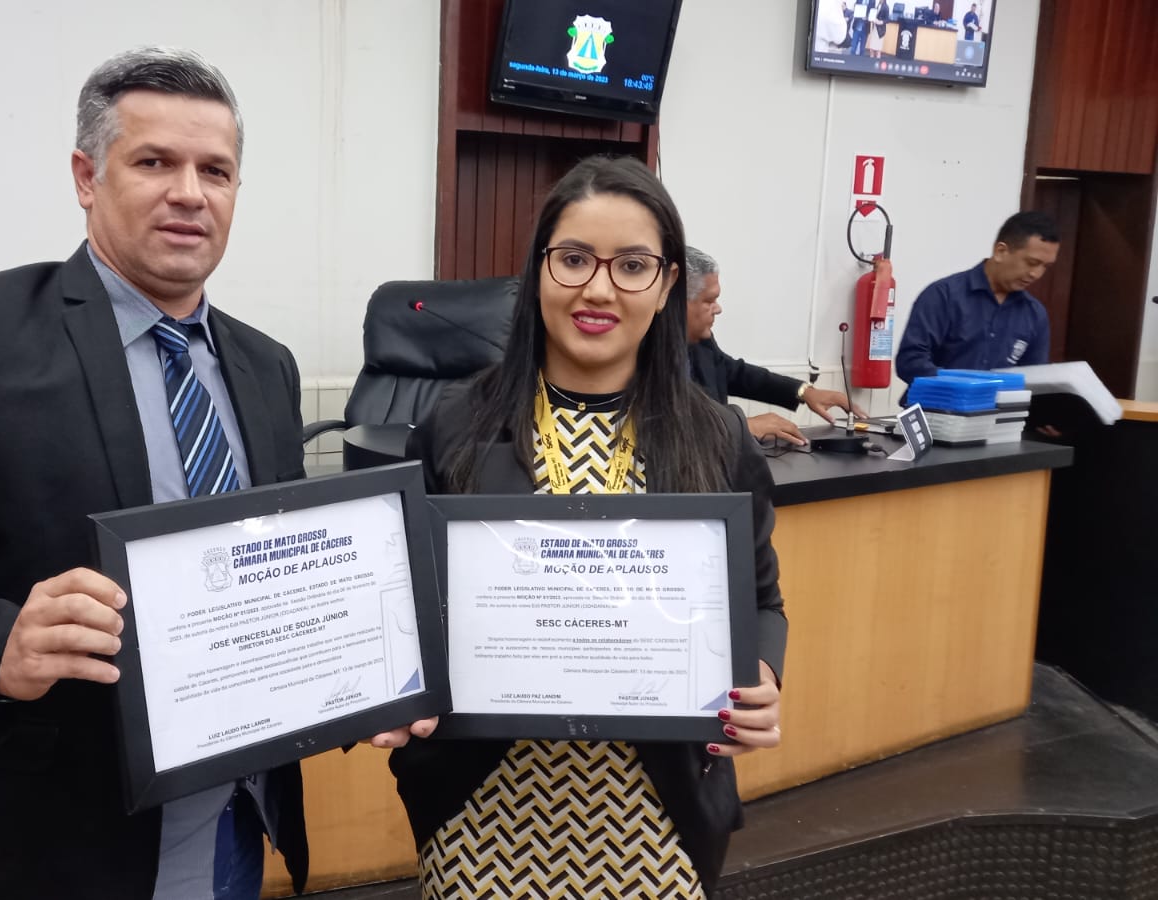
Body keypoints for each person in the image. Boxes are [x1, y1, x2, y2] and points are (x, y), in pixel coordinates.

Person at [0, 47, 430, 900]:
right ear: (86, 177)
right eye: (154, 162)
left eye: (216, 170)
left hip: (230, 831)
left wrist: (367, 677)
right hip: (39, 848)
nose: (190, 193)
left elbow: (271, 582)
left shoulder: (265, 366)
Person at [389, 156, 787, 898]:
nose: (598, 289)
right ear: (538, 270)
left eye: (632, 266)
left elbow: (762, 601)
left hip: (655, 822)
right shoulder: (453, 427)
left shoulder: (718, 436)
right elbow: (409, 606)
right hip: (482, 815)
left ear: (667, 284)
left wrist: (760, 674)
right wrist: (395, 686)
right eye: (573, 259)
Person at [685, 246, 864, 447]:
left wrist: (804, 391)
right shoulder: (654, 360)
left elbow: (732, 372)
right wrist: (745, 426)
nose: (718, 309)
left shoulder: (701, 341)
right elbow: (670, 427)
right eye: (709, 300)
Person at [895, 211, 1059, 400]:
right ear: (1001, 251)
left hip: (1001, 416)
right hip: (935, 410)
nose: (1036, 274)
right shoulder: (943, 296)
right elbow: (910, 362)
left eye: (1045, 267)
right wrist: (963, 389)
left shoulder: (1034, 314)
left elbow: (1034, 379)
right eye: (1032, 263)